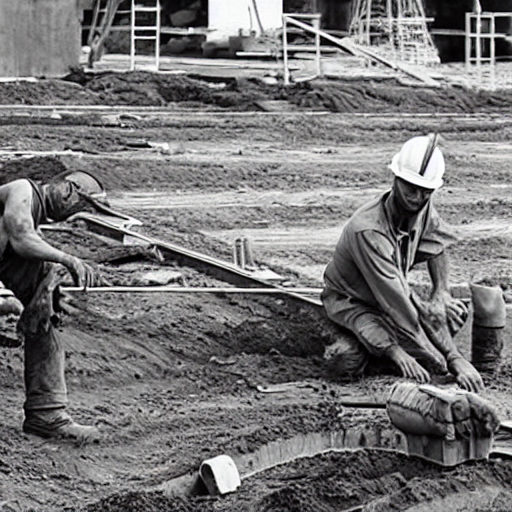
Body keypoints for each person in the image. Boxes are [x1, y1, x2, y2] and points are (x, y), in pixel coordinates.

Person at [321, 134, 484, 393]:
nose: (417, 198)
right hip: (353, 303)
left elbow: (437, 245)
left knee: (451, 312)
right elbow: (402, 303)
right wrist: (452, 359)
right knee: (348, 360)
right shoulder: (368, 231)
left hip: (391, 300)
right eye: (410, 188)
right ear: (396, 180)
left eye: (425, 192)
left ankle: (396, 348)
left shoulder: (422, 206)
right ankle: (374, 351)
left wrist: (441, 291)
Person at [0, 171, 108, 442]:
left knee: (46, 309)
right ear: (68, 191)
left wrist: (47, 292)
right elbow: (21, 238)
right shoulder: (23, 190)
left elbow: (25, 242)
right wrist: (68, 259)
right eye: (79, 206)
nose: (74, 213)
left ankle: (46, 413)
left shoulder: (32, 220)